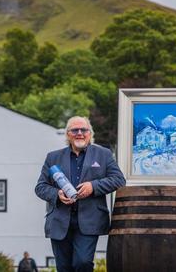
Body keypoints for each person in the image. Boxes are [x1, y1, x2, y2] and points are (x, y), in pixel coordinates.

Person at [35, 116, 126, 272]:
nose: (79, 133)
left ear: (90, 133)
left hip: (90, 221)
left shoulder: (103, 154)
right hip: (59, 221)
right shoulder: (53, 157)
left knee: (82, 263)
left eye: (83, 130)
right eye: (74, 130)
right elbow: (40, 187)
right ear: (68, 134)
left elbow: (119, 180)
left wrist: (93, 186)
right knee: (63, 267)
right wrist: (57, 194)